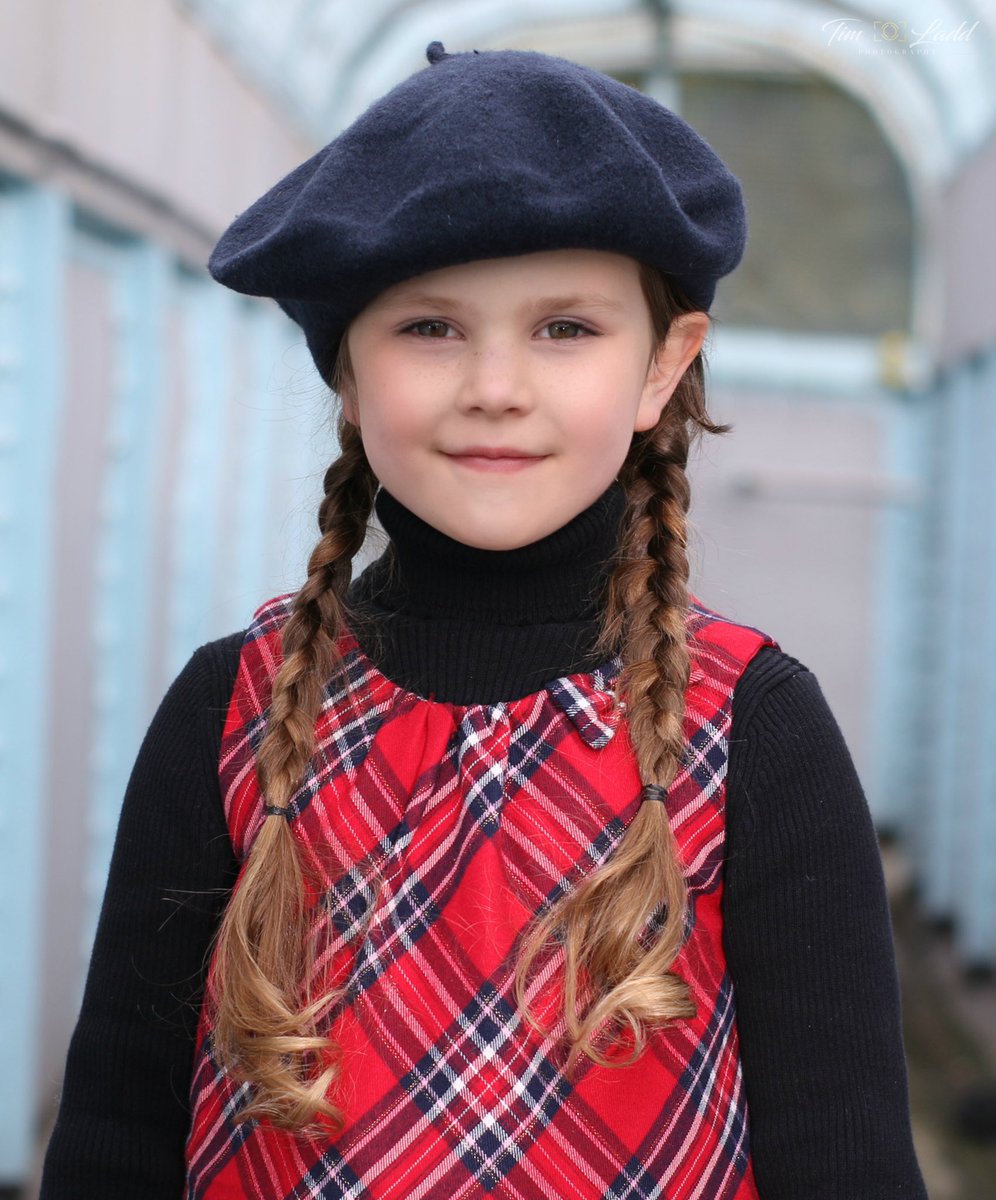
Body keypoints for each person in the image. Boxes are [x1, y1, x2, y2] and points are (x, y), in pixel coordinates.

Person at [40, 43, 927, 1200]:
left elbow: (846, 1162)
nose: (496, 385)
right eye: (430, 328)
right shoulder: (233, 712)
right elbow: (114, 1131)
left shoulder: (753, 732)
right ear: (348, 377)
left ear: (665, 365)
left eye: (565, 328)